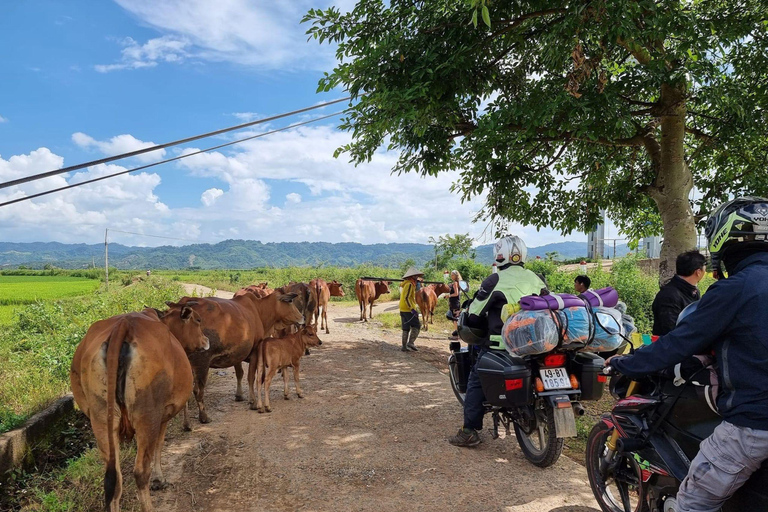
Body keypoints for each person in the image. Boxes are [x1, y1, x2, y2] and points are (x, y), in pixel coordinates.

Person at [607, 196, 768, 512]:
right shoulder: (687, 292)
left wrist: (627, 362)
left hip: (754, 423)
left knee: (692, 503)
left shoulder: (734, 288)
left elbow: (676, 343)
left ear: (723, 240)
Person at [449, 235, 547, 447]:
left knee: (476, 380)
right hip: (536, 344)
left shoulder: (494, 280)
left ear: (498, 256)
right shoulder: (536, 278)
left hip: (502, 346)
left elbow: (474, 315)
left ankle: (469, 431)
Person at [651, 250, 707, 335]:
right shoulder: (669, 296)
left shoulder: (692, 291)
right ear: (698, 272)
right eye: (704, 267)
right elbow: (670, 331)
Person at [399, 267, 423, 352]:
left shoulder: (406, 283)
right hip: (408, 309)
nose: (417, 277)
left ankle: (404, 347)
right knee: (417, 325)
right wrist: (412, 309)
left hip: (403, 309)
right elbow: (407, 298)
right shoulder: (409, 284)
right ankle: (411, 342)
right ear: (412, 276)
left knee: (406, 328)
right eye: (416, 276)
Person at [448, 270, 463, 340]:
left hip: (454, 303)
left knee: (455, 319)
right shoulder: (458, 283)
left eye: (452, 275)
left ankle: (457, 335)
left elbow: (456, 293)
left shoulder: (455, 283)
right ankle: (458, 334)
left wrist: (449, 296)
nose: (451, 276)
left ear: (456, 276)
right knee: (455, 319)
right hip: (456, 302)